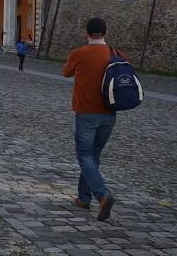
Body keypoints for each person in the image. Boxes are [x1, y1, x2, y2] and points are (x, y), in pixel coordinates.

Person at [61, 17, 117, 222]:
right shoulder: (116, 54)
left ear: (86, 33)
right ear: (106, 33)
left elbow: (66, 73)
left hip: (86, 113)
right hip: (109, 114)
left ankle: (102, 195)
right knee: (93, 156)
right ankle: (84, 198)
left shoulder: (79, 53)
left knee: (84, 156)